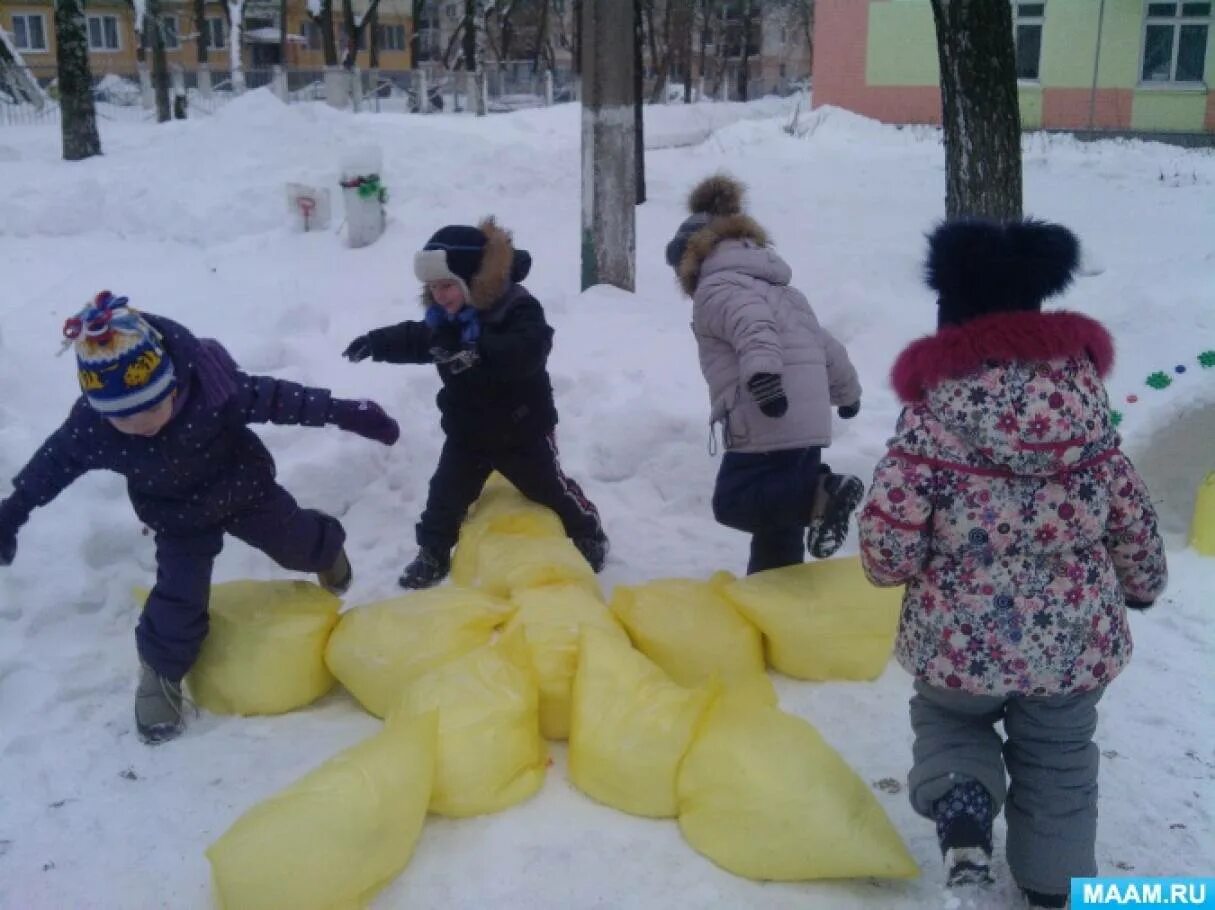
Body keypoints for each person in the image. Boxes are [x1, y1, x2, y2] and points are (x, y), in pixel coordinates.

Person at [857, 218, 1167, 908]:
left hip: (956, 636)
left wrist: (887, 569)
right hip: (1070, 642)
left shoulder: (931, 415)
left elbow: (890, 527)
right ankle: (1054, 888)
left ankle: (963, 816)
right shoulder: (1085, 409)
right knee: (1059, 756)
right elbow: (1130, 512)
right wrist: (1140, 585)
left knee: (951, 722)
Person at [0, 291, 401, 744]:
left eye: (152, 407)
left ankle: (326, 549)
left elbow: (280, 399)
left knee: (295, 542)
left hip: (244, 489)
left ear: (170, 383)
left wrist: (344, 412)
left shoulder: (214, 388)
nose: (143, 425)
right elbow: (51, 466)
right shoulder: (93, 427)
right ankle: (161, 674)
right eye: (125, 419)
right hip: (177, 517)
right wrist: (13, 511)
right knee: (179, 594)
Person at [343, 218, 608, 588]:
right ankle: (433, 553)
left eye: (448, 285)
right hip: (468, 434)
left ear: (473, 279)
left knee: (550, 489)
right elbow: (419, 338)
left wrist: (475, 351)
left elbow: (528, 351)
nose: (440, 295)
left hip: (523, 430)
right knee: (444, 498)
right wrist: (377, 342)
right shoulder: (445, 319)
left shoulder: (517, 307)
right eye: (433, 287)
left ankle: (589, 530)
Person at [664, 173, 864, 574]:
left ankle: (823, 493)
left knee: (736, 500)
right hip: (806, 418)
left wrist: (764, 379)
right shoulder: (781, 289)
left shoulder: (718, 287)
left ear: (693, 256)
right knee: (779, 526)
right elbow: (824, 345)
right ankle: (777, 601)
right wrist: (847, 391)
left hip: (767, 411)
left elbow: (755, 330)